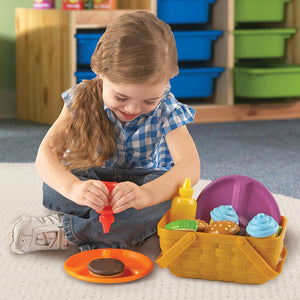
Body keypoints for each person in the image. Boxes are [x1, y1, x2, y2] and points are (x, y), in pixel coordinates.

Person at [9, 11, 200, 254]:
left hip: (139, 188)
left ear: (167, 85)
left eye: (149, 101)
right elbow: (46, 154)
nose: (132, 109)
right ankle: (123, 230)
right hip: (94, 183)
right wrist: (74, 189)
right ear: (100, 73)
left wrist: (144, 194)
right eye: (120, 97)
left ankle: (68, 232)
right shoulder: (80, 98)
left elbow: (190, 167)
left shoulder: (167, 109)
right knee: (54, 186)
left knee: (170, 202)